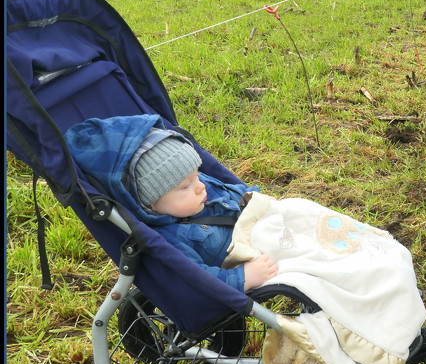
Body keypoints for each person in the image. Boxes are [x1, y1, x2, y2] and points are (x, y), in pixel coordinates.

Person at [64, 114, 277, 291]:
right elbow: (196, 277)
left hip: (267, 233)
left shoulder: (200, 190)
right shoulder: (169, 237)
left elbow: (237, 193)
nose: (200, 186)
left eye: (197, 175)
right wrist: (244, 277)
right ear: (151, 202)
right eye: (184, 187)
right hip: (249, 261)